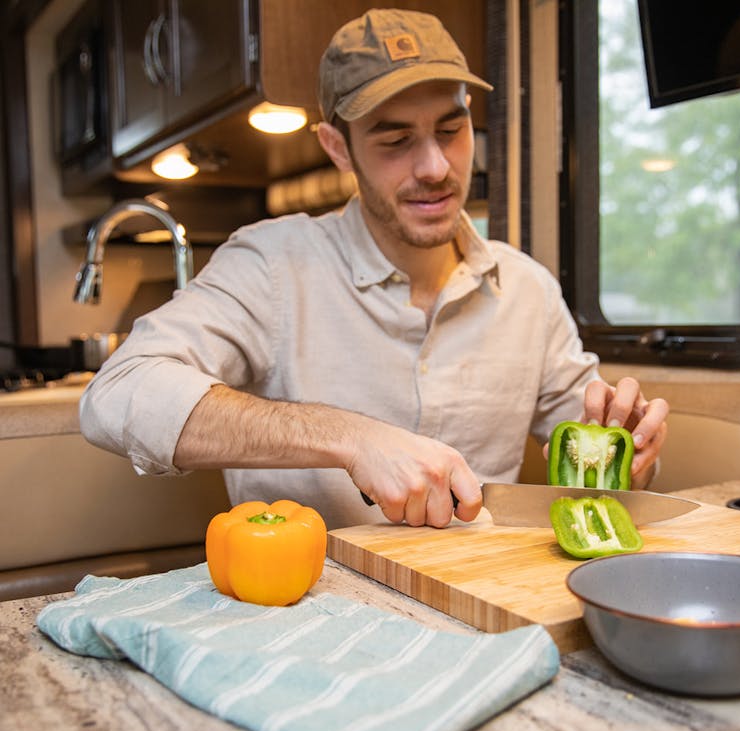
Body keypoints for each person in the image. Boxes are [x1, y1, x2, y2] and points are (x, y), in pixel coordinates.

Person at [80, 8, 668, 531]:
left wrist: (635, 451)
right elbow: (117, 394)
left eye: (451, 129)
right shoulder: (271, 265)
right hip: (307, 601)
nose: (436, 167)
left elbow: (600, 470)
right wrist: (349, 436)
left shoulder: (529, 290)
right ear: (338, 148)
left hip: (486, 598)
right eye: (395, 140)